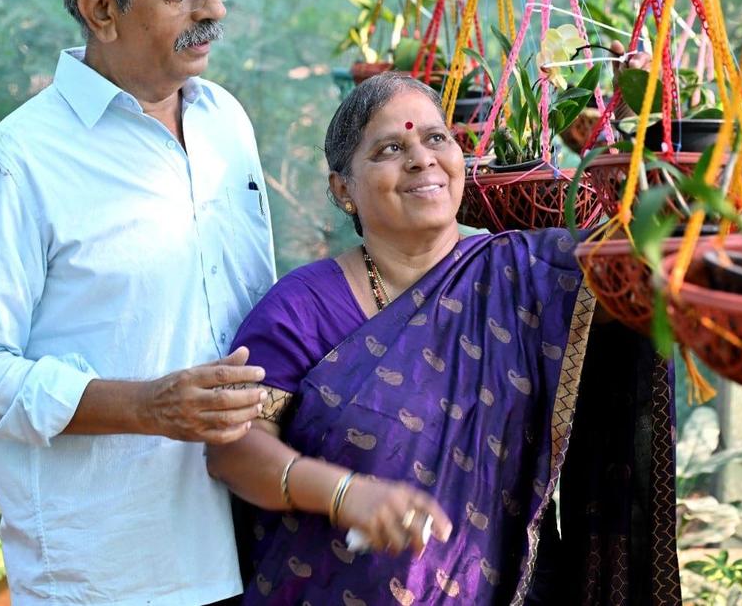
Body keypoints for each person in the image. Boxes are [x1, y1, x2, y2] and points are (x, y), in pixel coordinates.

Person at [0, 0, 276, 605]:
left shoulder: (226, 124)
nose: (213, 8)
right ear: (100, 7)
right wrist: (143, 405)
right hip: (109, 571)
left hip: (247, 540)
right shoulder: (18, 160)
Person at [206, 73, 598, 605]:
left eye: (436, 138)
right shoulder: (301, 307)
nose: (421, 159)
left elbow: (647, 267)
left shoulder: (527, 276)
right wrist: (343, 493)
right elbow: (232, 450)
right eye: (391, 148)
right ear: (343, 189)